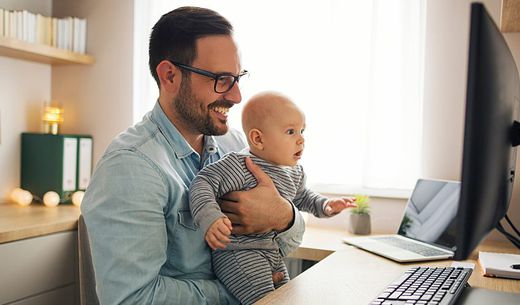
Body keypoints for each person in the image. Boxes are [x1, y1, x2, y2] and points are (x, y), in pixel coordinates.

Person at [81, 7, 305, 305]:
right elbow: (132, 299)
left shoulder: (236, 145)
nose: (237, 96)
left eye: (238, 78)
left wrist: (284, 216)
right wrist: (248, 291)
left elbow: (287, 241)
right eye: (222, 79)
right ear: (170, 75)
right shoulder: (130, 167)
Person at [189, 91, 357, 305]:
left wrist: (326, 205)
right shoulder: (239, 165)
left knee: (286, 298)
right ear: (258, 139)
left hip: (272, 253)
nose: (301, 139)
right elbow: (203, 182)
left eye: (302, 130)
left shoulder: (294, 172)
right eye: (291, 131)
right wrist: (210, 217)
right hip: (239, 254)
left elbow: (303, 197)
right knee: (268, 301)